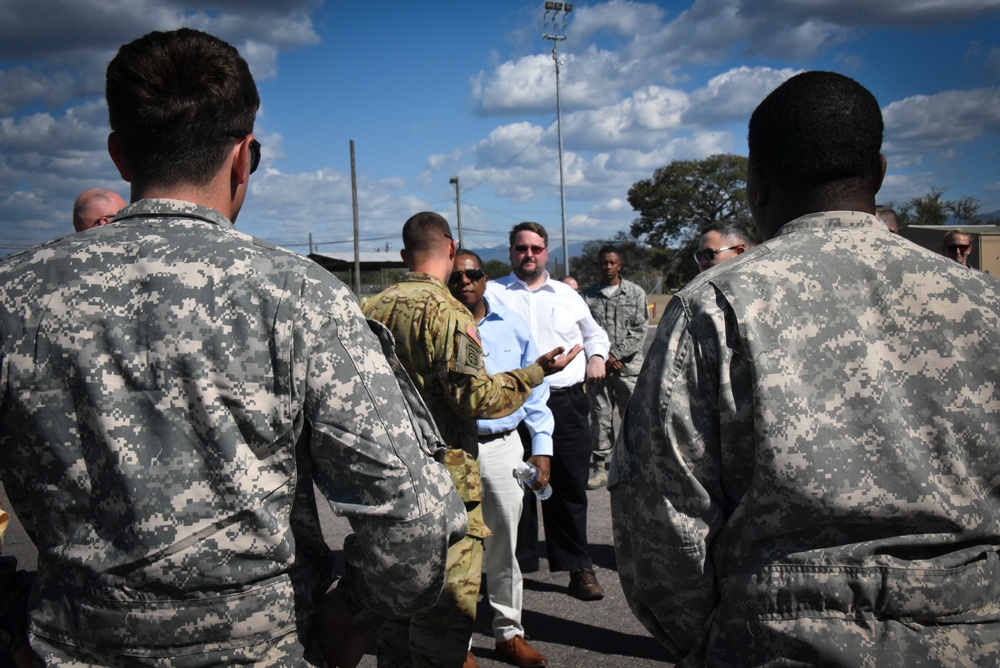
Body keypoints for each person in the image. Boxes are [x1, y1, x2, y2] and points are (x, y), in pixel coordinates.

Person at [0, 28, 467, 667]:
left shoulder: (15, 294)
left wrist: (14, 619)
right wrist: (351, 612)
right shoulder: (300, 295)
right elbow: (416, 517)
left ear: (119, 155)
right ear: (244, 157)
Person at [609, 69, 1000, 666]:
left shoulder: (714, 306)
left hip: (781, 641)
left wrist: (714, 640)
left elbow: (662, 519)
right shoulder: (984, 303)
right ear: (878, 173)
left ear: (757, 185)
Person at [363, 213, 579, 668]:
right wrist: (535, 372)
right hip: (449, 467)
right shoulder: (448, 313)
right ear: (449, 246)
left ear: (403, 255)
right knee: (449, 596)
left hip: (393, 467)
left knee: (400, 589)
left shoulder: (371, 307)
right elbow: (475, 398)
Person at [486, 222, 611, 602]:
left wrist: (597, 357)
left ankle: (578, 566)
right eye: (521, 248)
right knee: (512, 488)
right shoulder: (492, 293)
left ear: (546, 252)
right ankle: (515, 569)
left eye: (536, 248)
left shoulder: (566, 295)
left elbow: (594, 333)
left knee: (569, 487)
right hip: (512, 403)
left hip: (565, 403)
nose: (529, 254)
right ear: (511, 252)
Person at [448, 249, 553, 668]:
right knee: (456, 549)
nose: (465, 282)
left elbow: (536, 390)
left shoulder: (511, 324)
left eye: (473, 274)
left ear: (485, 278)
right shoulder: (440, 325)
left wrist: (541, 447)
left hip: (503, 446)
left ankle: (509, 633)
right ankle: (457, 643)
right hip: (452, 451)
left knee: (503, 547)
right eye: (456, 276)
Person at [580, 246, 647, 490]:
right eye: (603, 263)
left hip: (628, 369)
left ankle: (635, 463)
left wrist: (615, 354)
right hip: (598, 369)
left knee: (632, 416)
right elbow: (582, 330)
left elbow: (639, 330)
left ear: (620, 265)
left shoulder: (635, 293)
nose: (607, 267)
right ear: (598, 265)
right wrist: (603, 357)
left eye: (612, 263)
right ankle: (600, 466)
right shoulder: (587, 296)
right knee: (600, 416)